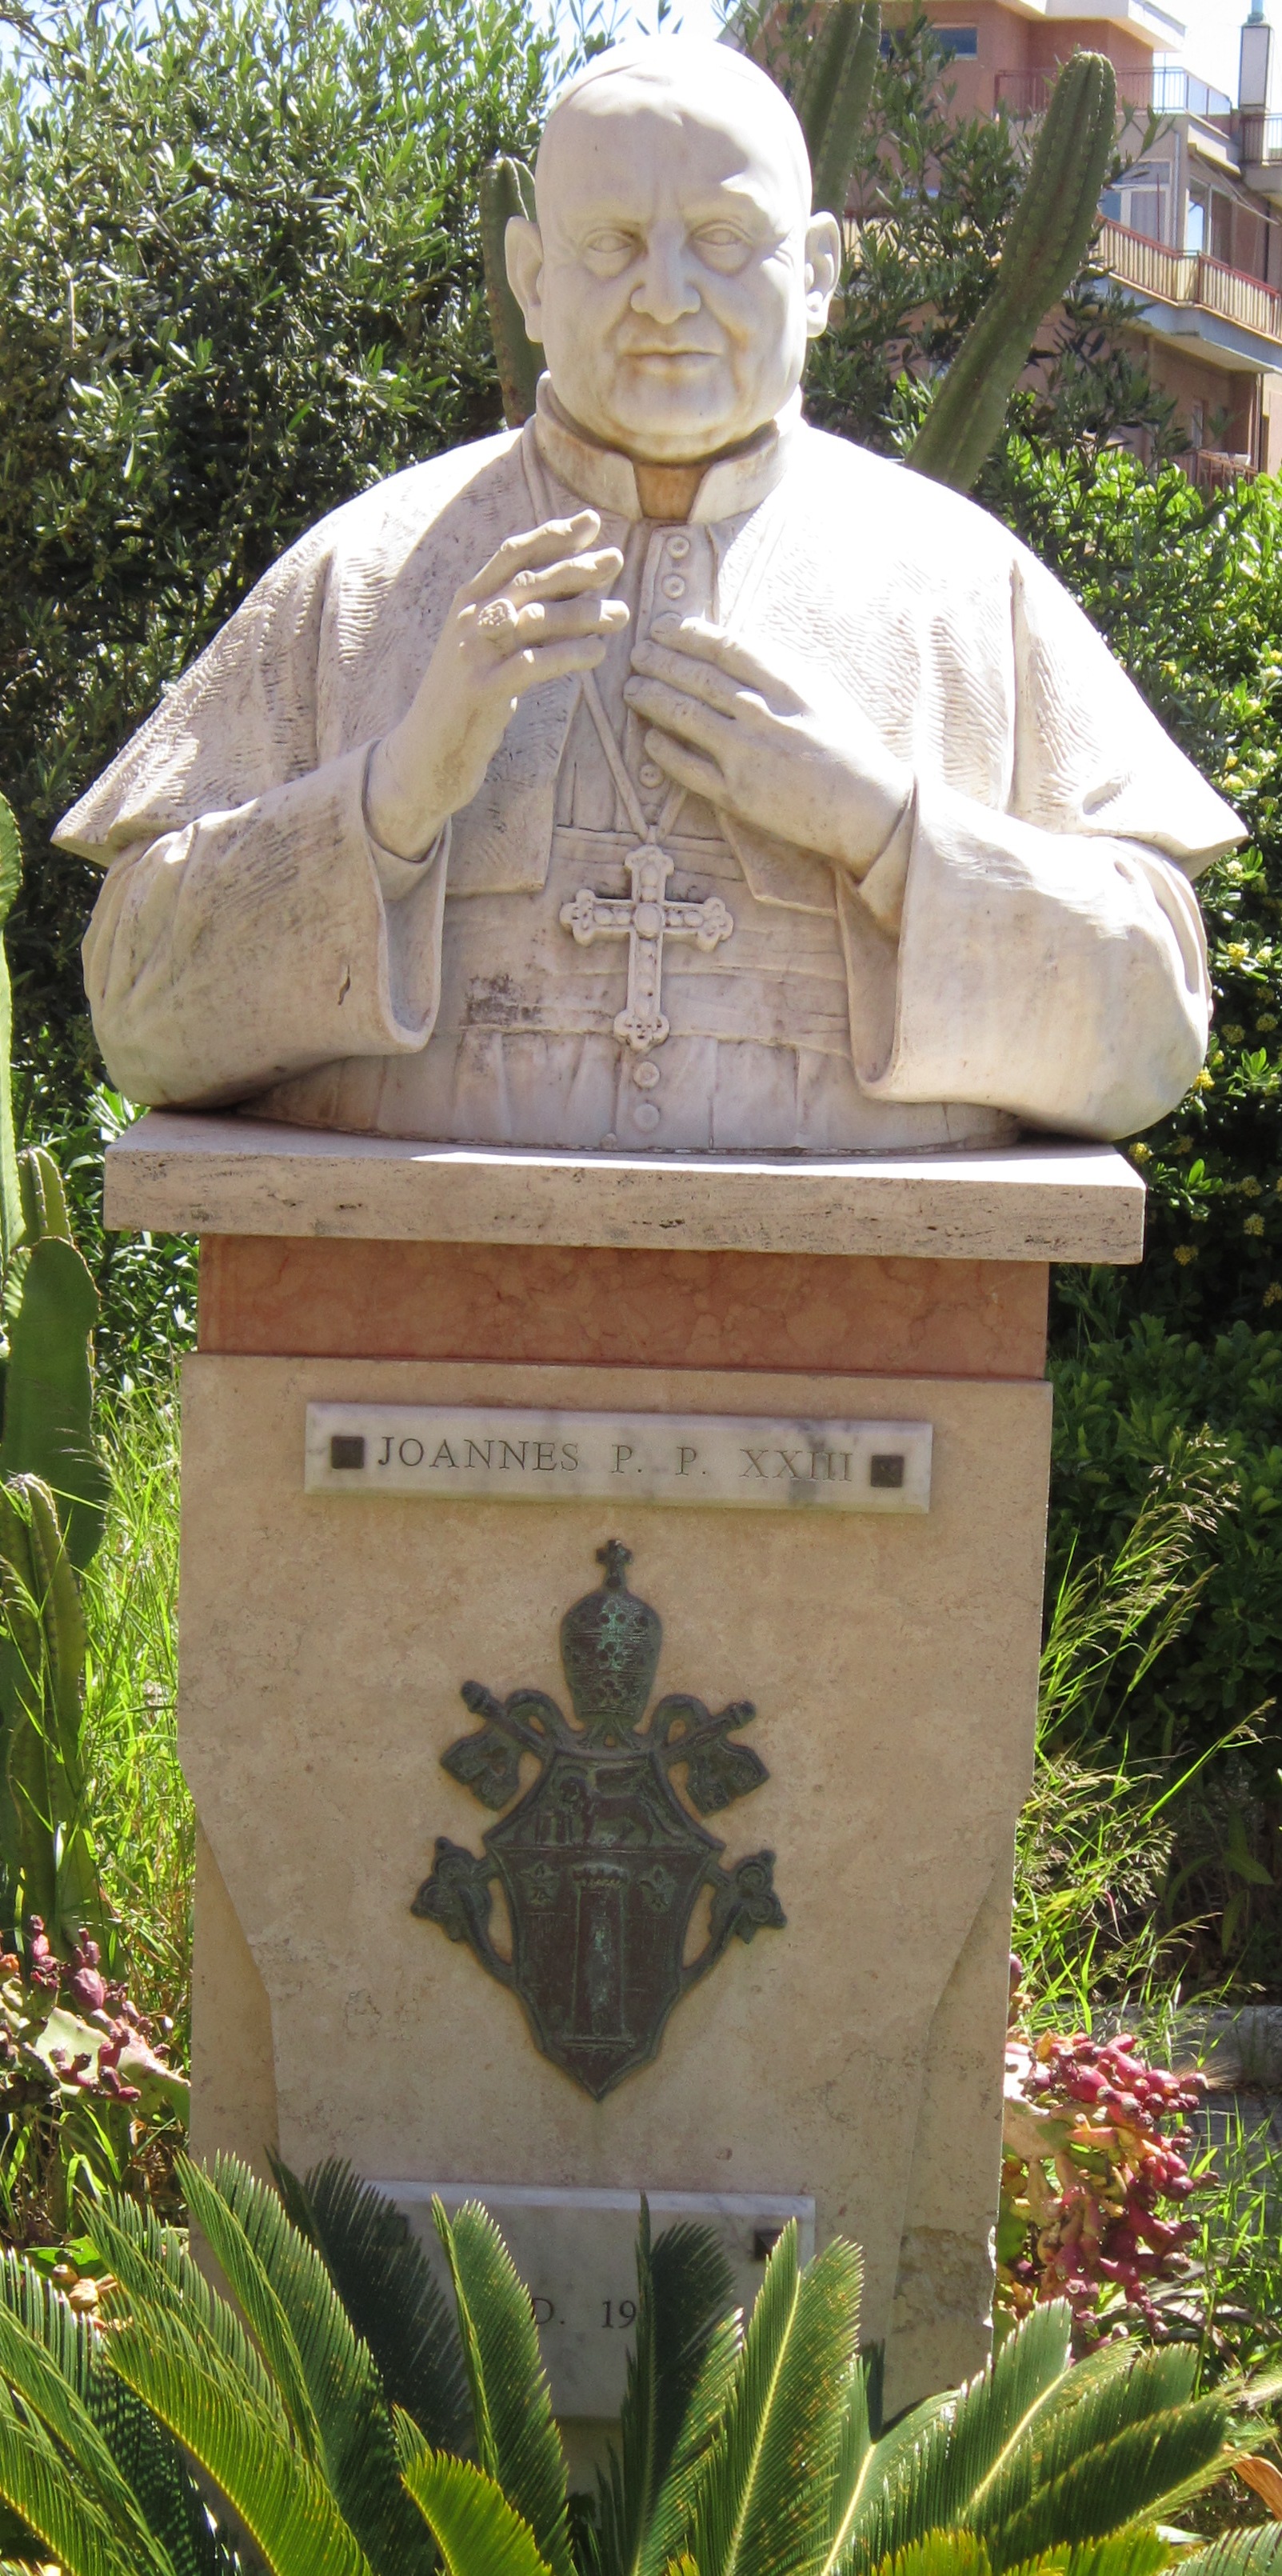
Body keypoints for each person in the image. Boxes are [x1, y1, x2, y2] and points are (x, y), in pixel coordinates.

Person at [59, 41, 1239, 1154]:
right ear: (532, 278)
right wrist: (396, 799)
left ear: (816, 274)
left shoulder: (969, 586)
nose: (665, 295)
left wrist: (885, 830)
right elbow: (137, 1009)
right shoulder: (363, 575)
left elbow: (1153, 1034)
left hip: (850, 1296)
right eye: (612, 243)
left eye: (722, 240)